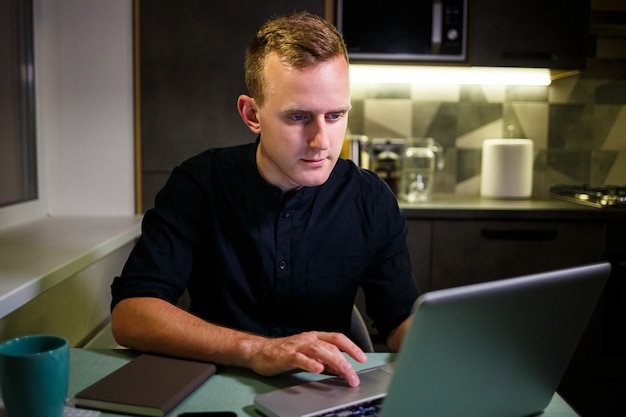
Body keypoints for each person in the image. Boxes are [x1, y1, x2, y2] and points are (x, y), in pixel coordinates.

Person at [110, 11, 419, 388]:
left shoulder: (371, 200)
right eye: (299, 117)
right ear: (252, 114)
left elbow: (399, 320)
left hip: (327, 392)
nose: (321, 141)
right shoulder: (199, 184)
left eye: (336, 115)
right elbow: (131, 314)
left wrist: (446, 345)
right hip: (217, 383)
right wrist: (255, 350)